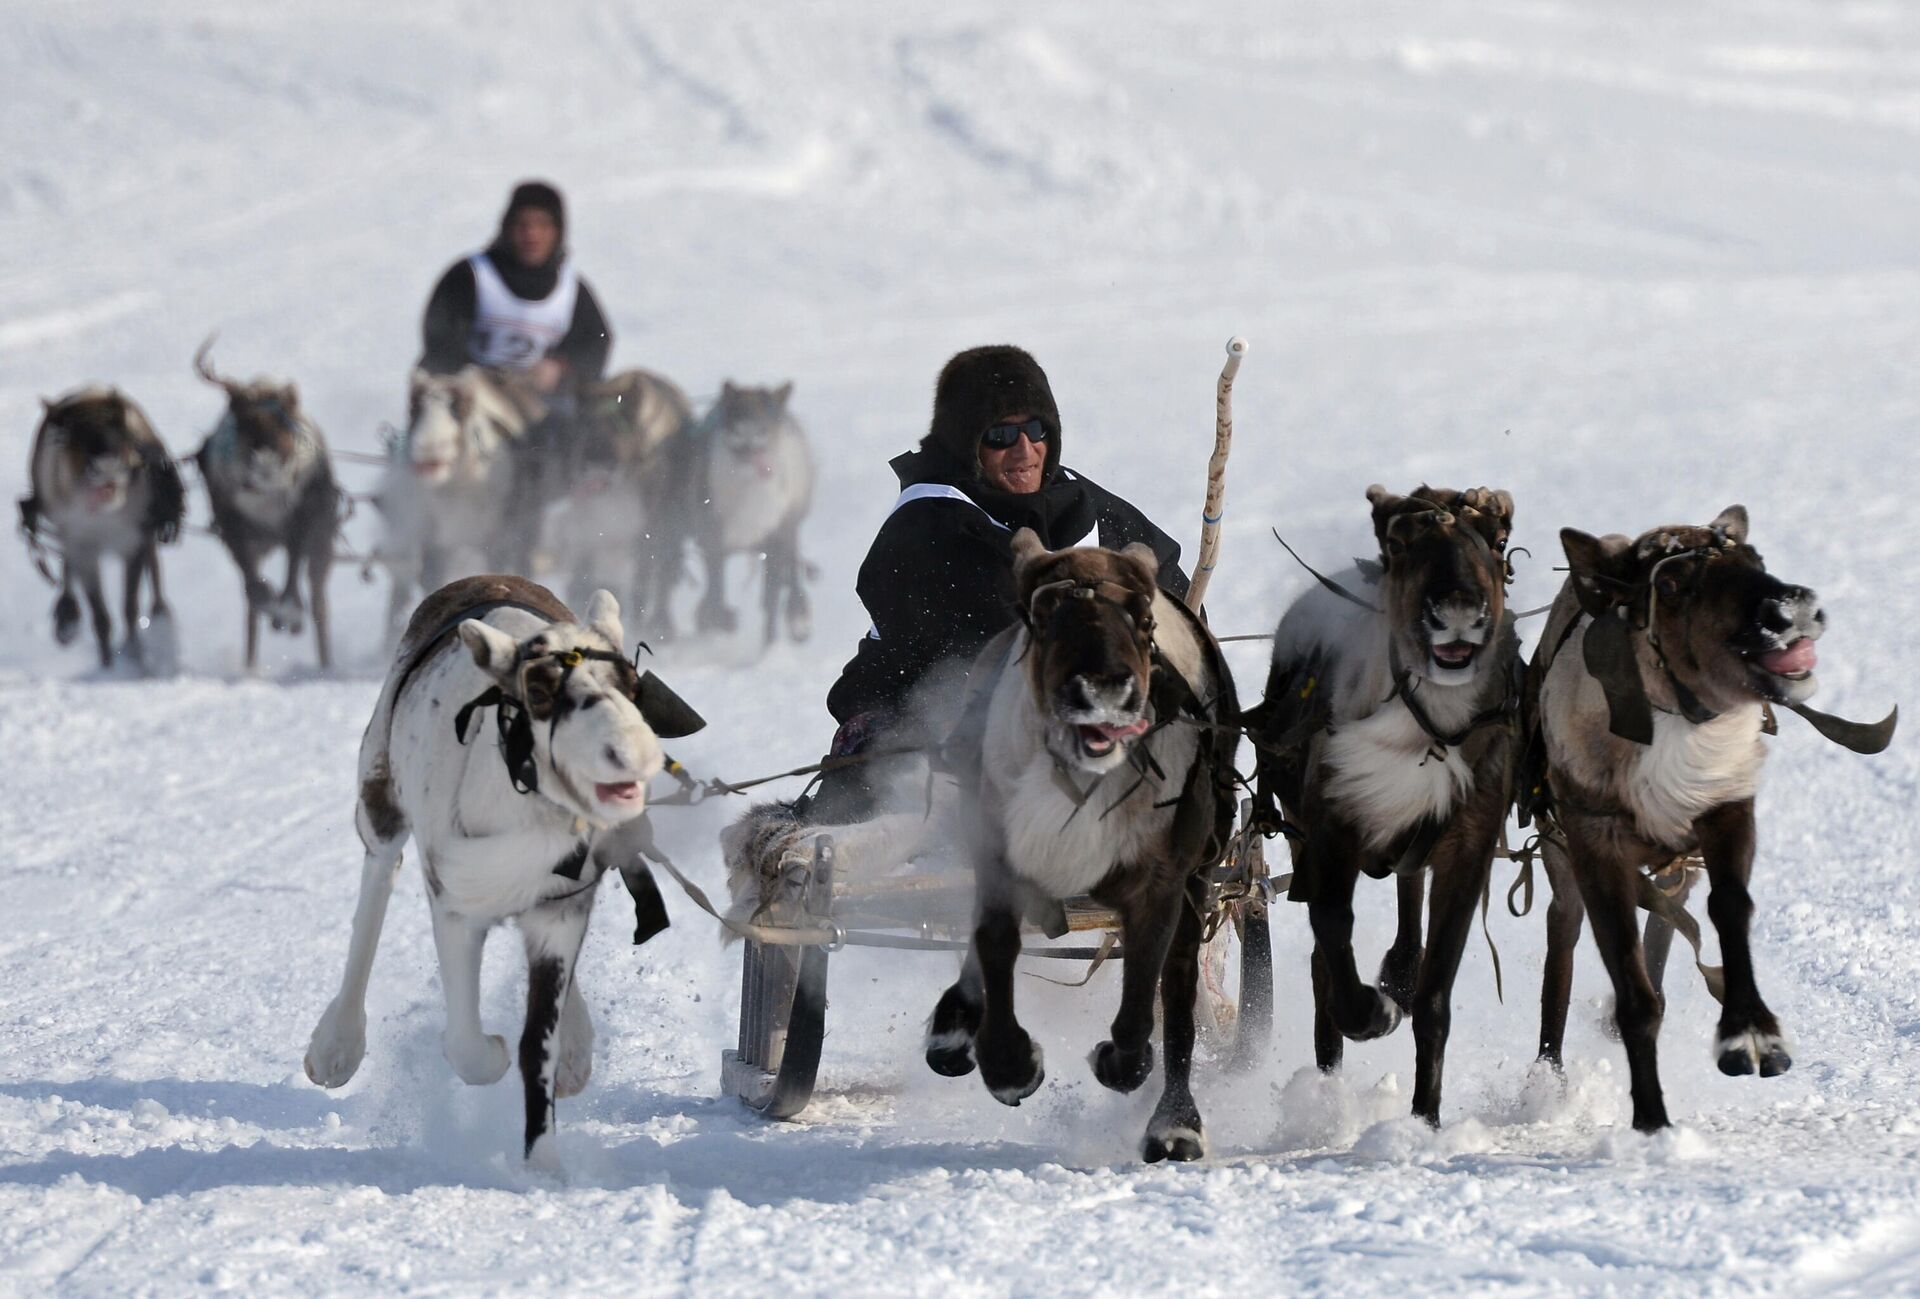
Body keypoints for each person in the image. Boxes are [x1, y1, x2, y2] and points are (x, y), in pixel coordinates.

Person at [808, 344, 1189, 821]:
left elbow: (1172, 592)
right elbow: (975, 651)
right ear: (966, 442)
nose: (1024, 450)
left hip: (1081, 716)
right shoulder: (926, 525)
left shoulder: (1080, 504)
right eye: (1001, 434)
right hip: (925, 725)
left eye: (1036, 430)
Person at [417, 180, 613, 395]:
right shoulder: (471, 277)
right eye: (522, 224)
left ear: (557, 232)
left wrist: (561, 367)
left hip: (540, 406)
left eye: (543, 225)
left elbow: (599, 341)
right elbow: (439, 335)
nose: (532, 234)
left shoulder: (572, 291)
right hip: (468, 398)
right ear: (507, 227)